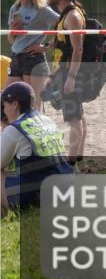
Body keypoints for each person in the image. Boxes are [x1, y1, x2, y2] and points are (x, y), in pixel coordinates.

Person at [1, 81, 74, 213]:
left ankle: (5, 212)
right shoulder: (47, 120)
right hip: (66, 190)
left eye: (4, 106)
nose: (4, 112)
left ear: (15, 104)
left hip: (37, 197)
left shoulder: (14, 129)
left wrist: (4, 130)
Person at [45, 0, 89, 159]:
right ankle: (79, 160)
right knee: (78, 118)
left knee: (73, 121)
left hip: (70, 73)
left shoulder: (72, 16)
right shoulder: (66, 15)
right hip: (64, 72)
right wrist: (45, 47)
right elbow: (64, 42)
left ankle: (71, 165)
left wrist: (71, 78)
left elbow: (78, 49)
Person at [5, 0, 59, 108]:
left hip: (34, 58)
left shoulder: (41, 9)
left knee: (33, 106)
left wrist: (46, 46)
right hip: (16, 57)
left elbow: (65, 27)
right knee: (7, 101)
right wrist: (13, 31)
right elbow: (12, 41)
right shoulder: (14, 8)